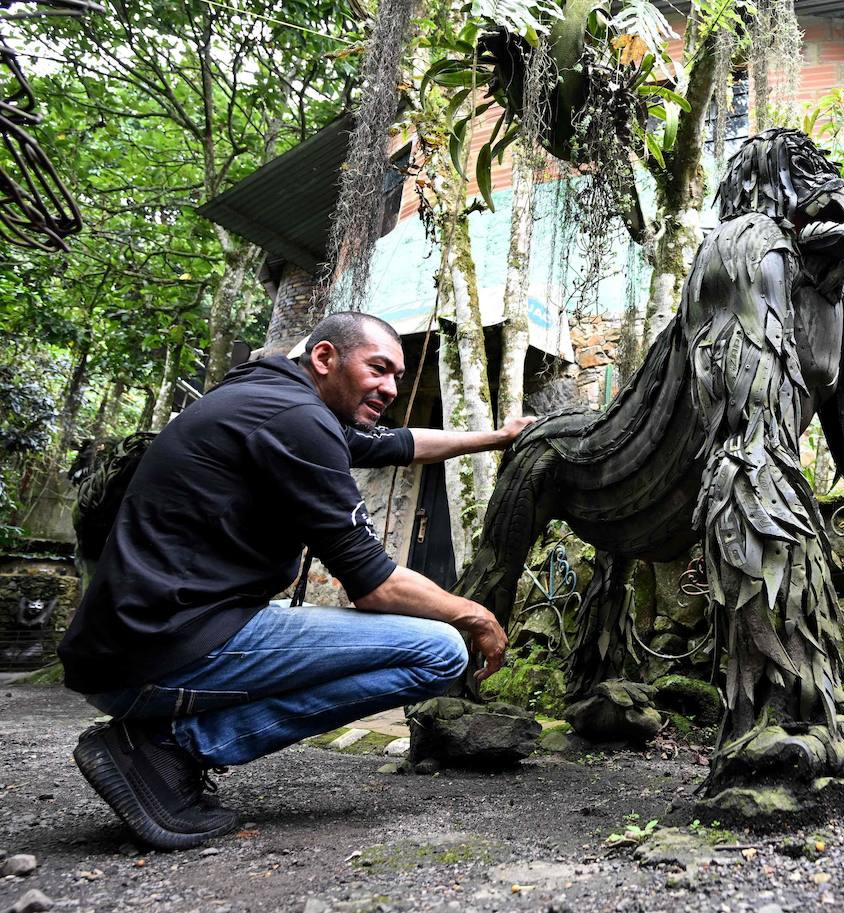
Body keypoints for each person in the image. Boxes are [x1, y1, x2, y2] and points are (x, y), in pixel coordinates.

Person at [59, 312, 531, 851]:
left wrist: (495, 437)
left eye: (398, 375)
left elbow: (398, 443)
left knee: (413, 638)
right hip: (160, 648)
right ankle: (171, 750)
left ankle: (160, 745)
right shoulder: (297, 419)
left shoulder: (269, 398)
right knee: (440, 651)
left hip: (136, 641)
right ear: (326, 357)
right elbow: (373, 582)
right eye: (378, 369)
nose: (391, 388)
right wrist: (477, 615)